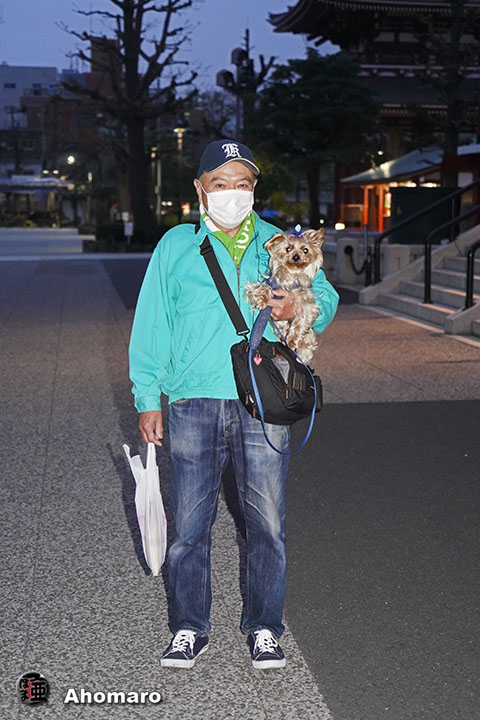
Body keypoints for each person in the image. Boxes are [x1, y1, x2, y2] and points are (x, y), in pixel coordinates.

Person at [129, 139, 339, 670]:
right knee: (190, 526)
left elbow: (329, 297)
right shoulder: (177, 245)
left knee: (267, 524)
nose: (232, 192)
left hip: (262, 400)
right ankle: (188, 627)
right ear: (200, 188)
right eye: (220, 183)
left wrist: (298, 308)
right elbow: (152, 322)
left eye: (242, 183)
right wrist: (147, 397)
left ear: (254, 189)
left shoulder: (279, 242)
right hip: (193, 399)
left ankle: (265, 627)